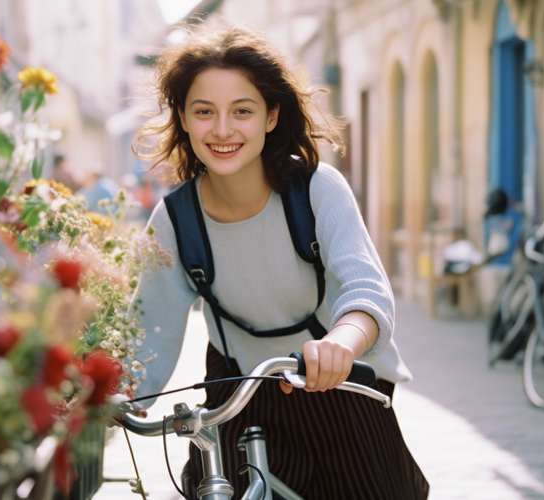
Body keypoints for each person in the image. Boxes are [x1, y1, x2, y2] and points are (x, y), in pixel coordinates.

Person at [129, 22, 429, 499]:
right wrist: (106, 392)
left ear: (271, 116)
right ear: (183, 118)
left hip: (339, 386)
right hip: (238, 396)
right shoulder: (176, 219)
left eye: (242, 111)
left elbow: (367, 291)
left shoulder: (316, 189)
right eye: (204, 111)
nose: (222, 129)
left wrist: (341, 345)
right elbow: (146, 336)